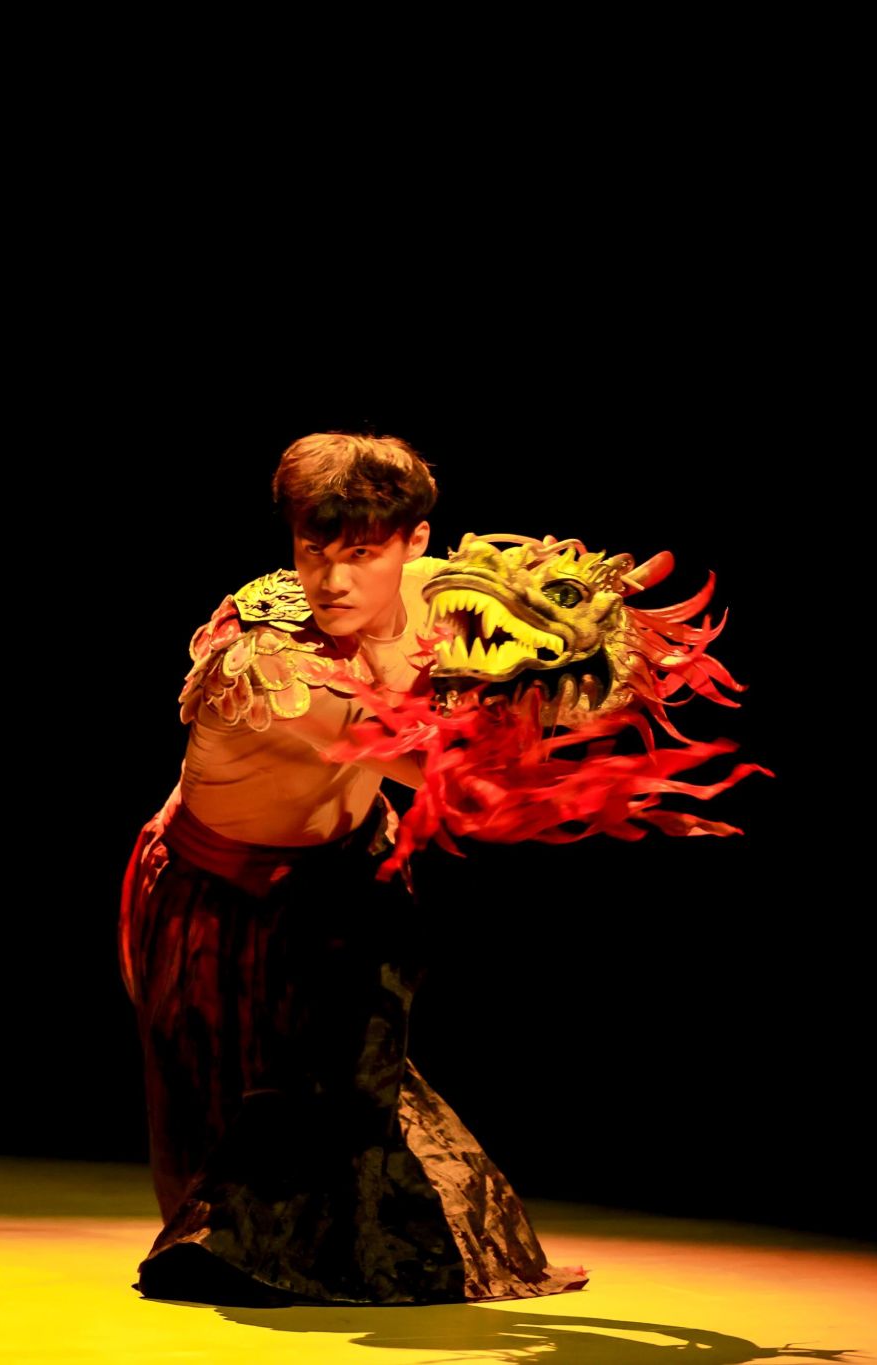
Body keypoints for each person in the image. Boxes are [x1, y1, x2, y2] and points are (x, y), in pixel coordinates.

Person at [117, 432, 589, 1307]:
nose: (331, 581)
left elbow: (552, 638)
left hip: (350, 875)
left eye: (362, 555)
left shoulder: (443, 595)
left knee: (356, 1099)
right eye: (313, 550)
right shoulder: (264, 658)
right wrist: (549, 713)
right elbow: (445, 772)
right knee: (219, 1163)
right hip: (215, 902)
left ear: (414, 541)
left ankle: (378, 1258)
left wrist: (589, 664)